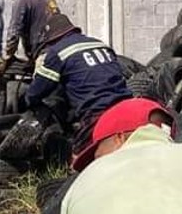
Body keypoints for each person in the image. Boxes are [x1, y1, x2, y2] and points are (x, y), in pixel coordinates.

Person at [23, 13, 133, 157]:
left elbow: (37, 91)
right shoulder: (100, 44)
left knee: (78, 161)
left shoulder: (58, 52)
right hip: (128, 107)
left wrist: (28, 102)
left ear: (52, 40)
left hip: (97, 114)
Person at [0, 0, 61, 65]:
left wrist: (5, 59)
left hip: (44, 52)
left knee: (40, 80)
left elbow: (14, 33)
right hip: (59, 49)